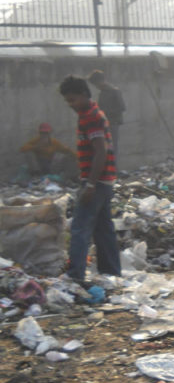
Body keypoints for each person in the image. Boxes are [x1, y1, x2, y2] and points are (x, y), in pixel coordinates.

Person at [59, 75, 121, 287]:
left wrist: (91, 184)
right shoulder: (92, 113)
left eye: (73, 100)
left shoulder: (90, 116)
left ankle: (75, 274)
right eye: (67, 101)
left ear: (85, 95)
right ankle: (111, 272)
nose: (71, 105)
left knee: (80, 228)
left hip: (97, 181)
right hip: (105, 180)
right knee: (103, 229)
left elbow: (100, 151)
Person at [86, 69, 126, 158]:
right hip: (103, 124)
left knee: (112, 148)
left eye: (96, 84)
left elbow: (122, 107)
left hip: (113, 123)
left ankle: (114, 169)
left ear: (100, 81)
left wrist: (104, 112)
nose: (96, 86)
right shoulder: (102, 93)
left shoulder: (114, 91)